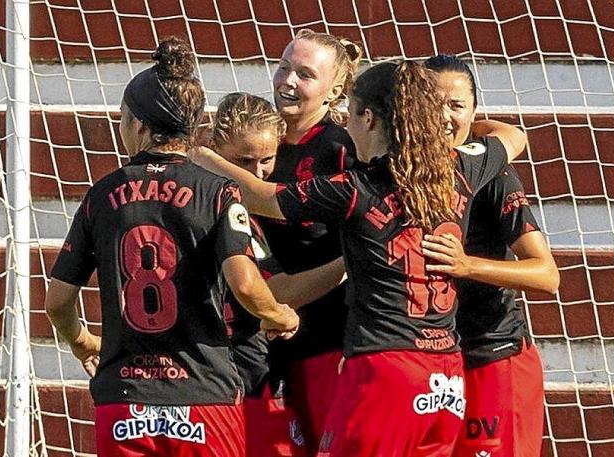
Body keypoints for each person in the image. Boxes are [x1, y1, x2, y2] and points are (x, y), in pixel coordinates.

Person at [191, 60, 525, 456]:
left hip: (384, 370)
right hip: (446, 376)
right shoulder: (462, 167)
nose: (346, 128)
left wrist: (204, 158)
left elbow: (262, 197)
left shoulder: (355, 189)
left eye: (350, 115)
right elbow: (513, 136)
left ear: (369, 118)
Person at [44, 37, 299, 457]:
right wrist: (279, 314)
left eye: (123, 118)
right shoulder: (218, 192)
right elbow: (247, 286)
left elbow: (57, 302)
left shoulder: (101, 196)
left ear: (141, 126)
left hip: (125, 397)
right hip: (204, 396)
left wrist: (81, 340)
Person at [422, 54, 559, 457]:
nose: (444, 116)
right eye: (432, 104)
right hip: (430, 363)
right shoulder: (396, 172)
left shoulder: (492, 176)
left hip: (493, 356)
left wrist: (467, 265)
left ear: (474, 110)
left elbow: (547, 275)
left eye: (456, 105)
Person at [210, 92, 346, 457]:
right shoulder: (226, 207)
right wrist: (350, 262)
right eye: (243, 161)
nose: (256, 173)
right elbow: (275, 289)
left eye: (266, 160)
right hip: (231, 368)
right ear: (214, 147)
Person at [258, 28, 362, 455]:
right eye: (283, 67)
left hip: (329, 342)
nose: (287, 81)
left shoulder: (342, 148)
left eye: (304, 74)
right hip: (267, 345)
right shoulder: (259, 142)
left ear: (335, 88)